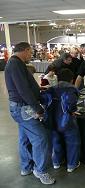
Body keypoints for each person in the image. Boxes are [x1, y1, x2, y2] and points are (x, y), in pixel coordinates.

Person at [4, 42, 55, 185]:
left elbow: (24, 85)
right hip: (23, 108)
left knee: (24, 138)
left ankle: (26, 167)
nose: (31, 55)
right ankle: (41, 170)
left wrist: (38, 88)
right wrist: (37, 108)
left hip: (21, 107)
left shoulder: (15, 64)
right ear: (25, 50)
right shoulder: (15, 64)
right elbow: (22, 89)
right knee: (41, 137)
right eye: (30, 52)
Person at [42, 68, 81, 173]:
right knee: (73, 142)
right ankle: (71, 165)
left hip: (52, 120)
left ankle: (56, 162)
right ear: (72, 79)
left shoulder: (51, 89)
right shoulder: (71, 89)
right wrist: (73, 110)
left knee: (56, 142)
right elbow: (71, 102)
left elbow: (43, 100)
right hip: (66, 121)